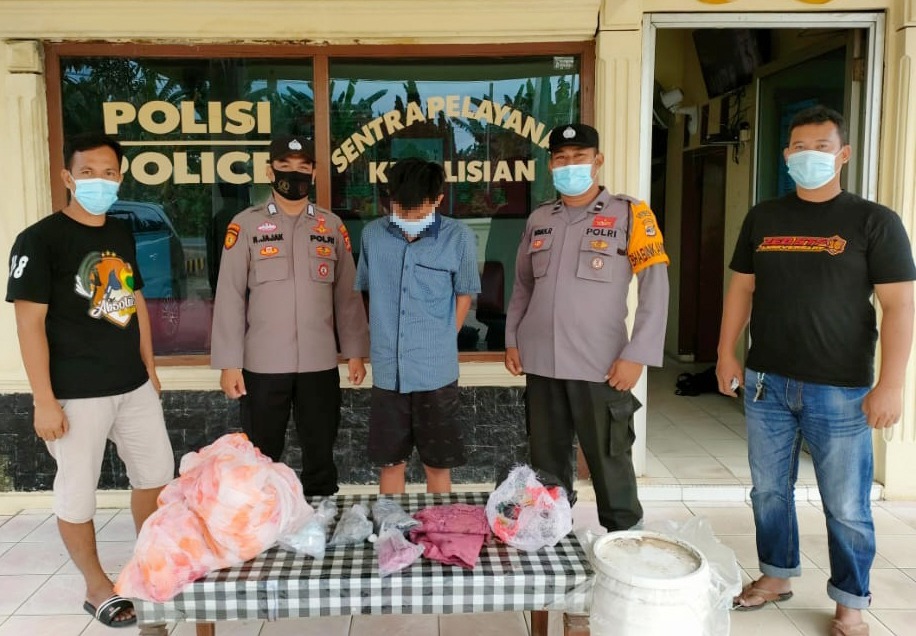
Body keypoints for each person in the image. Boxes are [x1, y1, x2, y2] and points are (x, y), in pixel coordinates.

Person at [717, 106, 915, 636]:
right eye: (799, 148)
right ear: (786, 156)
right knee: (768, 491)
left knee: (847, 504)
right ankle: (777, 575)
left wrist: (891, 384)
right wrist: (726, 351)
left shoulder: (874, 221)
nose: (809, 157)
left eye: (821, 147)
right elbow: (741, 287)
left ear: (843, 154)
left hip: (843, 389)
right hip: (767, 382)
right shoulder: (764, 217)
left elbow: (900, 306)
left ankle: (851, 599)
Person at [6, 132, 175, 629]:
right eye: (87, 172)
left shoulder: (119, 232)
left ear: (119, 177)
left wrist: (150, 367)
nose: (98, 181)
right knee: (77, 493)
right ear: (67, 177)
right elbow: (28, 323)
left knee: (156, 477)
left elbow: (134, 301)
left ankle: (147, 565)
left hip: (133, 385)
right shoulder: (39, 240)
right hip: (75, 394)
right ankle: (96, 586)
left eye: (108, 173)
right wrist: (43, 400)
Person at [504, 123, 670, 532]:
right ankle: (549, 540)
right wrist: (512, 339)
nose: (570, 165)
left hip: (603, 366)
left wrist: (638, 354)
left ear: (598, 161)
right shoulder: (540, 218)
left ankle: (625, 546)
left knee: (610, 462)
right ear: (551, 165)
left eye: (579, 157)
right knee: (547, 467)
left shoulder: (631, 213)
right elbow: (523, 285)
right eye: (561, 158)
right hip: (542, 363)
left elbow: (655, 287)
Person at [211, 134, 369, 496]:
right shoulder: (246, 225)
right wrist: (229, 363)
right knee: (260, 453)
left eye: (303, 167)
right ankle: (261, 523)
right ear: (270, 170)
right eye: (285, 166)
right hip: (263, 364)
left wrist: (356, 351)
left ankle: (321, 518)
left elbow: (347, 295)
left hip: (319, 363)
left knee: (321, 450)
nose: (294, 174)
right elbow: (230, 295)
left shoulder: (331, 226)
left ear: (313, 173)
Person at [355, 158, 480, 494]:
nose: (407, 216)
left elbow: (465, 294)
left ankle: (437, 530)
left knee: (437, 464)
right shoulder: (373, 236)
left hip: (436, 373)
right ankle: (392, 534)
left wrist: (442, 337)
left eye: (417, 207)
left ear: (438, 200)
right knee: (390, 462)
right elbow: (364, 292)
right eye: (400, 206)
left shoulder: (458, 237)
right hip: (388, 371)